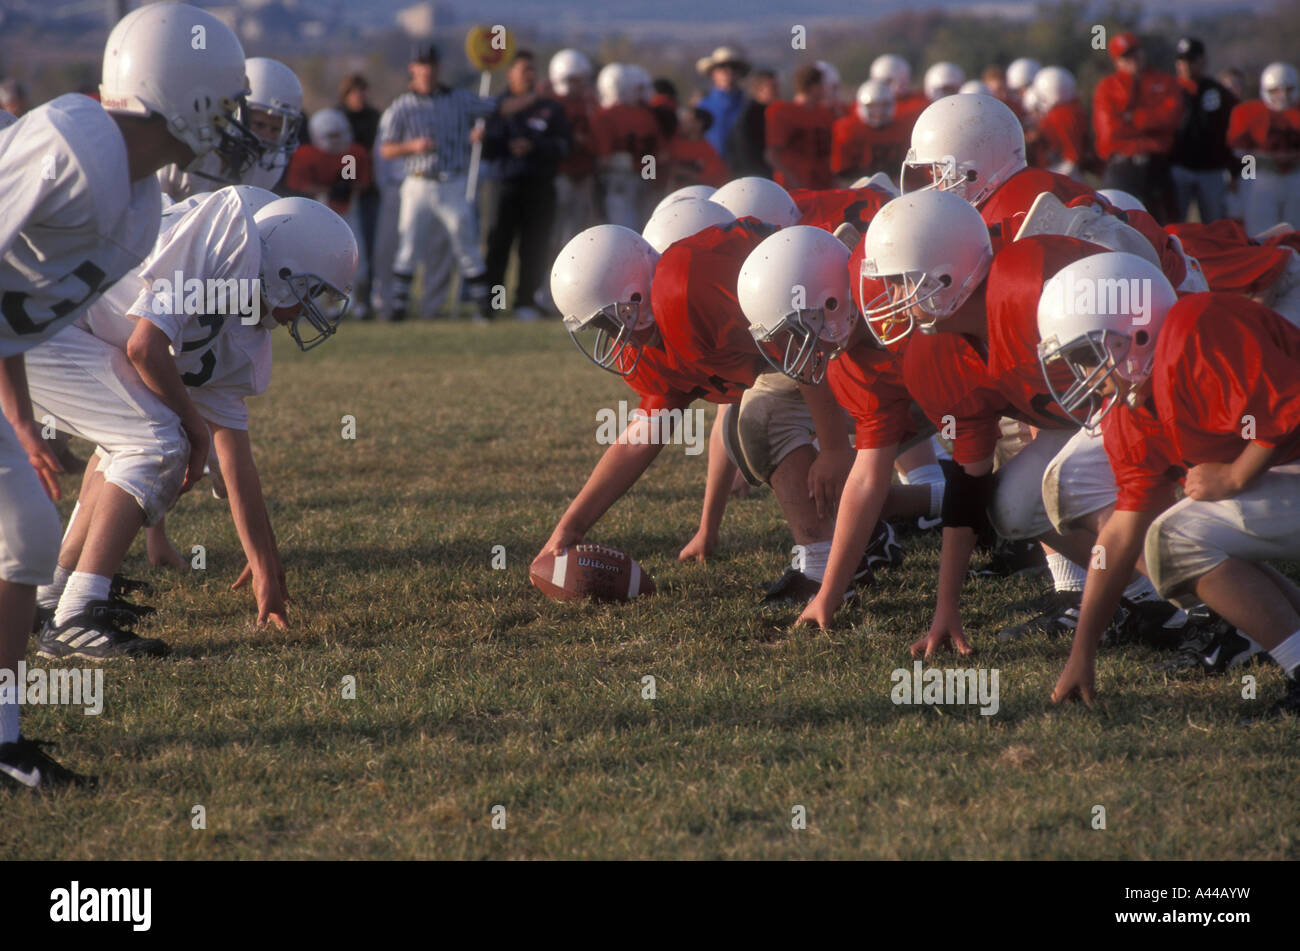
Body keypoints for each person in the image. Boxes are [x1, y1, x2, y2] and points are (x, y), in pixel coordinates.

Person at [0, 1, 253, 790]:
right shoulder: (74, 141)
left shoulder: (143, 211)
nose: (237, 123)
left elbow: (11, 313)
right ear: (183, 90)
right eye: (229, 102)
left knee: (27, 539)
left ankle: (5, 743)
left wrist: (26, 427)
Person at [30, 193, 358, 658]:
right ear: (283, 274)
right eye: (311, 293)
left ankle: (52, 596)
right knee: (156, 441)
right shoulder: (228, 238)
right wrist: (193, 429)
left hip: (56, 321)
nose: (310, 310)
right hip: (34, 313)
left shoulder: (242, 329)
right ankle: (78, 616)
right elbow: (145, 346)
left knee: (132, 438)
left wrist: (264, 563)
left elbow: (235, 455)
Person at [1040, 253, 1300, 715]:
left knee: (1176, 538)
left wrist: (1236, 473)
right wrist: (1083, 652)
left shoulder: (1197, 328)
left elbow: (1289, 400)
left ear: (1136, 333)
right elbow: (1120, 536)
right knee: (1171, 536)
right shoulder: (1130, 409)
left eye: (1088, 354)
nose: (1084, 374)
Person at [379, 44, 494, 322]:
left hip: (452, 180)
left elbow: (492, 110)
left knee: (466, 241)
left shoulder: (458, 99)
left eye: (431, 65)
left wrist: (481, 132)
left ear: (439, 68)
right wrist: (412, 146)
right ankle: (398, 308)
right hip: (418, 182)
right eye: (422, 65)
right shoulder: (402, 106)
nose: (427, 70)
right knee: (409, 244)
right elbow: (386, 148)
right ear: (413, 68)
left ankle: (483, 307)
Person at [481, 51, 572, 322]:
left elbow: (564, 145)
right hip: (505, 184)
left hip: (540, 185)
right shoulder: (495, 106)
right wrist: (501, 144)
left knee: (534, 246)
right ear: (510, 73)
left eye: (533, 70)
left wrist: (535, 146)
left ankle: (526, 302)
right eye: (524, 70)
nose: (529, 75)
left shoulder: (550, 108)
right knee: (498, 245)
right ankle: (493, 303)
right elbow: (486, 149)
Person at [1092, 32, 1183, 223]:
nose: (1133, 60)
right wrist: (1150, 124)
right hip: (1121, 166)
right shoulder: (1108, 87)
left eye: (1135, 53)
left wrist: (1131, 119)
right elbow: (1110, 132)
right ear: (1117, 60)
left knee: (1165, 227)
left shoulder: (1164, 81)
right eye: (1126, 56)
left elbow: (1171, 119)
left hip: (1157, 166)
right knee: (1114, 222)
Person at [1227, 62, 1300, 237]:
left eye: (1288, 90)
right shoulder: (1248, 112)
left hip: (1296, 177)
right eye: (1276, 90)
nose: (1282, 96)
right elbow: (1242, 153)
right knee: (1261, 233)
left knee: (1295, 232)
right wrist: (1247, 183)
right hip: (1263, 180)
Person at [1170, 38, 1237, 224]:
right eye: (1182, 60)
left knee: (1215, 225)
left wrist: (1235, 170)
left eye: (1191, 59)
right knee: (1175, 226)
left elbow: (1230, 133)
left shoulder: (1218, 92)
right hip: (1178, 168)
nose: (1186, 65)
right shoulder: (1169, 89)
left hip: (1212, 170)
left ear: (1203, 60)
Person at [337, 74, 383, 310]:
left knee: (368, 246)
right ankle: (340, 298)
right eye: (356, 92)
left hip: (367, 190)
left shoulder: (374, 118)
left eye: (363, 91)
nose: (361, 97)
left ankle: (367, 298)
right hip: (339, 193)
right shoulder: (337, 119)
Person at [548, 49, 598, 257]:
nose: (576, 85)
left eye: (579, 80)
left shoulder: (589, 103)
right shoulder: (551, 105)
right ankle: (545, 284)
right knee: (553, 231)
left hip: (583, 173)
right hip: (560, 173)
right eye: (572, 79)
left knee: (576, 233)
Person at [765, 65, 835, 190]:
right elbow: (772, 154)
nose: (825, 89)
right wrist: (790, 178)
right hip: (794, 186)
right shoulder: (783, 112)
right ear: (813, 86)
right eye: (822, 85)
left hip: (821, 184)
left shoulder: (825, 114)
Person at [831, 79, 910, 183]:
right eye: (872, 106)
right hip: (857, 189)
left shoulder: (902, 129)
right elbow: (841, 174)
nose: (878, 112)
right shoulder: (848, 129)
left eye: (884, 106)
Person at [696, 46, 751, 165]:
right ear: (713, 73)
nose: (728, 72)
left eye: (733, 68)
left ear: (740, 73)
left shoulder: (749, 107)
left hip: (744, 171)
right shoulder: (701, 106)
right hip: (710, 170)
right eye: (721, 68)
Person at [726, 69, 778, 178]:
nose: (777, 91)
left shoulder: (773, 113)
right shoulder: (748, 117)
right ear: (759, 90)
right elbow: (745, 154)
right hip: (755, 178)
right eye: (773, 88)